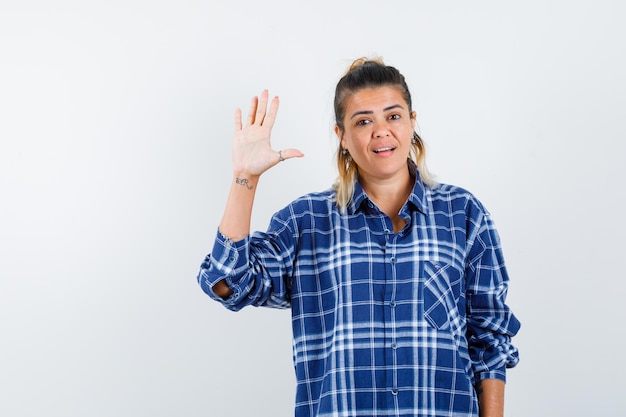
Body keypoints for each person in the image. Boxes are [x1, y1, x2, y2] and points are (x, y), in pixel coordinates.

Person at [197, 57, 520, 417]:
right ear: (342, 137)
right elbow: (227, 282)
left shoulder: (464, 215)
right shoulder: (307, 222)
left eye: (393, 116)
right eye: (363, 121)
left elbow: (489, 339)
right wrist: (245, 177)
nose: (381, 131)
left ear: (413, 122)